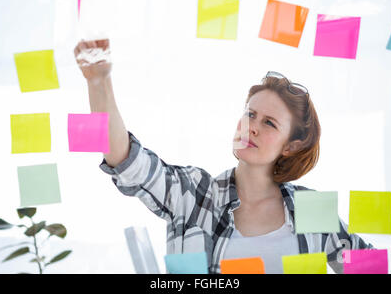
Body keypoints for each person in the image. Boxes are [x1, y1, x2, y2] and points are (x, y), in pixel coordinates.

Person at [74, 39, 373, 274]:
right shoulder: (193, 192)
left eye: (268, 123)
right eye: (250, 114)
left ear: (290, 146)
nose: (251, 127)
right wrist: (98, 82)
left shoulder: (311, 209)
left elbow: (373, 269)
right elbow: (126, 161)